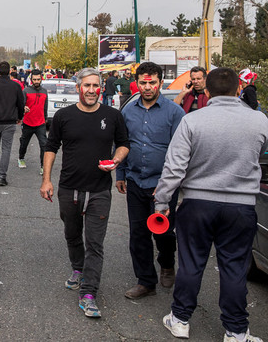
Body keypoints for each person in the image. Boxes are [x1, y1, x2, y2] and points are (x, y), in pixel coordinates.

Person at [155, 67, 268, 341]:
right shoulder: (260, 120)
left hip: (197, 204)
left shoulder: (193, 121)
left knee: (192, 263)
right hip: (241, 206)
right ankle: (236, 330)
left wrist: (161, 202)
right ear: (239, 88)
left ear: (206, 90)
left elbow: (174, 167)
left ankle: (180, 319)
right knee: (234, 267)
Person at [39, 67, 129, 318]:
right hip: (69, 188)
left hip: (100, 190)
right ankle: (78, 268)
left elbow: (123, 144)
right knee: (72, 234)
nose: (91, 90)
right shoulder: (64, 116)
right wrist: (47, 180)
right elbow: (51, 146)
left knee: (95, 244)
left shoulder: (112, 116)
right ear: (78, 88)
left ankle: (88, 293)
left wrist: (116, 161)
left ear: (101, 88)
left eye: (95, 86)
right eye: (86, 86)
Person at [116, 62, 185, 300]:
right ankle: (146, 281)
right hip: (135, 180)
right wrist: (120, 173)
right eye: (143, 82)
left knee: (164, 233)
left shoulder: (175, 113)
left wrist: (171, 183)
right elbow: (122, 143)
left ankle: (167, 264)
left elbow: (182, 151)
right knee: (138, 234)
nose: (147, 87)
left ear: (160, 83)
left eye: (152, 82)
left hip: (164, 185)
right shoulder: (128, 111)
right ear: (137, 82)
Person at [18, 69, 48, 174]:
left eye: (38, 79)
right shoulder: (26, 91)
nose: (36, 81)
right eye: (34, 79)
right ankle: (21, 158)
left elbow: (45, 107)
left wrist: (45, 119)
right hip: (28, 123)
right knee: (24, 143)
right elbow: (20, 105)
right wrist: (23, 108)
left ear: (41, 79)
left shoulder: (44, 92)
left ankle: (43, 166)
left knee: (44, 144)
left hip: (40, 123)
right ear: (31, 79)